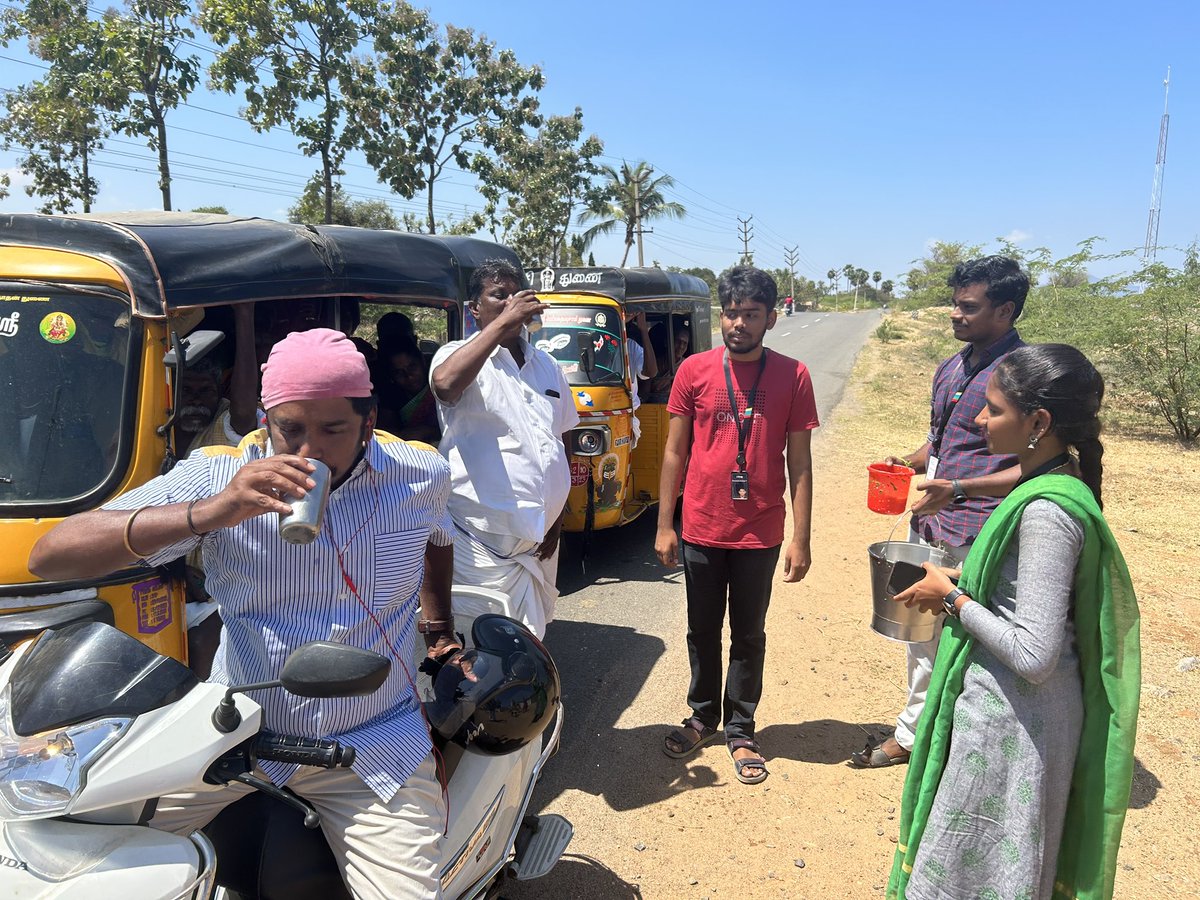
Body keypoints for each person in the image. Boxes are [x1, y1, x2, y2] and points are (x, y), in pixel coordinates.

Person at [28, 327, 459, 900]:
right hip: (232, 735)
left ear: (370, 419)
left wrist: (438, 626)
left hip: (373, 742)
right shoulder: (219, 476)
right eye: (290, 431)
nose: (308, 452)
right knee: (66, 855)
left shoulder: (419, 473)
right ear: (264, 422)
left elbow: (438, 539)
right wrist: (213, 512)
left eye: (333, 430)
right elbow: (51, 555)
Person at [886, 344, 1140, 900]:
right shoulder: (1049, 477)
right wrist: (957, 492)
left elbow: (1034, 655)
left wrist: (950, 598)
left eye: (994, 410)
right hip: (1005, 715)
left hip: (1016, 726)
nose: (980, 419)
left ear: (1039, 422)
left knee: (978, 872)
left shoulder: (1048, 514)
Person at [852, 255, 1028, 769]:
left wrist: (959, 488)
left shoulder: (1021, 375)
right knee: (920, 634)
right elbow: (941, 441)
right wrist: (905, 462)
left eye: (967, 306)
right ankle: (918, 733)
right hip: (931, 525)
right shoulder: (953, 366)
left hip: (980, 533)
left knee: (976, 640)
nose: (954, 313)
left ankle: (958, 742)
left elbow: (1038, 467)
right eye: (955, 302)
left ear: (1006, 311)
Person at [654, 265, 819, 785]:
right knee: (701, 629)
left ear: (771, 318)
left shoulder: (793, 376)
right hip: (702, 526)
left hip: (760, 532)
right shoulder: (694, 371)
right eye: (730, 313)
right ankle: (703, 715)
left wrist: (801, 537)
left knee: (748, 633)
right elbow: (674, 452)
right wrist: (664, 523)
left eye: (750, 314)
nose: (738, 324)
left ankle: (742, 728)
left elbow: (801, 463)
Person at [430, 259, 579, 639]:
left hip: (538, 541)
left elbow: (561, 443)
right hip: (480, 542)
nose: (512, 303)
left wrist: (556, 517)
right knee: (482, 646)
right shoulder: (456, 355)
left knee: (532, 642)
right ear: (474, 309)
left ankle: (532, 700)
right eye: (500, 295)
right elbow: (445, 385)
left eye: (517, 295)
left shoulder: (546, 365)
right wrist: (501, 326)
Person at [377, 337, 441, 443]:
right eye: (399, 372)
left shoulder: (439, 384)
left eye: (412, 367)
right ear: (392, 376)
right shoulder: (391, 395)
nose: (409, 376)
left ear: (422, 362)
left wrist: (429, 431)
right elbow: (385, 434)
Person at [625, 308, 658, 448]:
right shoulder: (596, 342)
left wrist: (644, 330)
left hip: (625, 417)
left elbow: (650, 372)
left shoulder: (630, 346)